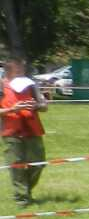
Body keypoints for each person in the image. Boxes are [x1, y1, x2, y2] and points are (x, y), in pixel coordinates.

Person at [2, 59, 47, 206]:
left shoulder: (31, 85)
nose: (21, 74)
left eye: (22, 71)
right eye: (17, 72)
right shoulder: (1, 86)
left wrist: (37, 105)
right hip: (11, 131)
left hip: (33, 129)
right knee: (16, 165)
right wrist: (12, 109)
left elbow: (44, 106)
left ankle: (25, 191)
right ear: (8, 72)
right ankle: (22, 199)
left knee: (38, 164)